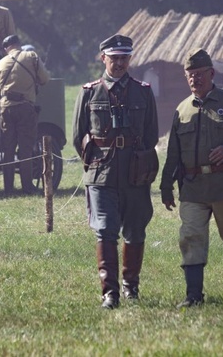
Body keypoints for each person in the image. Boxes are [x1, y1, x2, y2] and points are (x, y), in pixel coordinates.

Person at [158, 48, 223, 308]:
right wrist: (165, 185)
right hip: (193, 189)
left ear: (211, 73)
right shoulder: (182, 110)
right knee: (190, 237)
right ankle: (194, 296)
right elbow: (173, 153)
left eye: (200, 74)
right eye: (190, 75)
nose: (195, 79)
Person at [72, 34, 159, 309]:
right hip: (101, 174)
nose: (120, 63)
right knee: (105, 231)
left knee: (135, 231)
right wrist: (95, 159)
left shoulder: (143, 91)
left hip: (135, 173)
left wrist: (140, 161)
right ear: (103, 58)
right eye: (114, 58)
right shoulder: (89, 92)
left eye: (124, 58)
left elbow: (151, 134)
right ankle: (110, 293)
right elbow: (78, 136)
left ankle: (130, 286)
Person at [0, 34, 50, 194]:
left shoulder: (0, 62)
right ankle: (27, 187)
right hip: (25, 107)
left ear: (6, 49)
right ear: (19, 44)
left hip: (5, 108)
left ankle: (8, 188)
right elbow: (44, 79)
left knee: (8, 149)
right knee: (26, 148)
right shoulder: (31, 56)